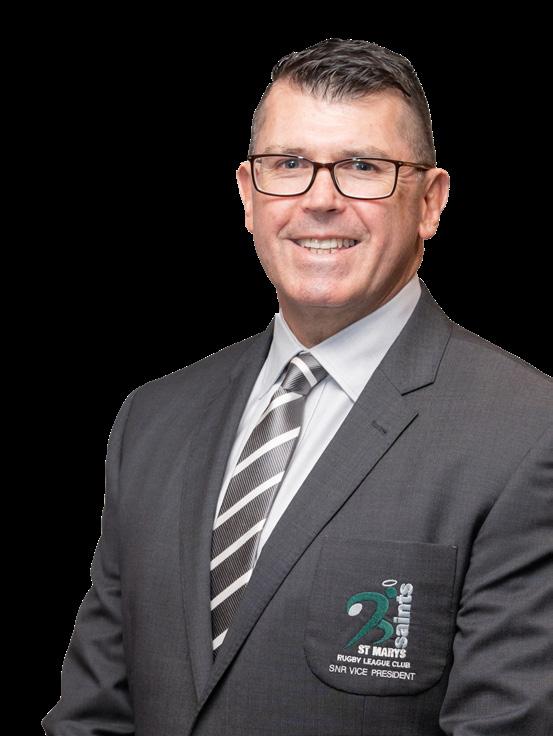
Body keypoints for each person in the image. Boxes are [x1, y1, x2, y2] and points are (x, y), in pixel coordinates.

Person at [42, 38, 552, 736]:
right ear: (248, 195)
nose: (319, 200)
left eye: (363, 167)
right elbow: (93, 715)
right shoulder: (152, 419)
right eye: (288, 165)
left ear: (430, 203)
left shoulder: (528, 432)